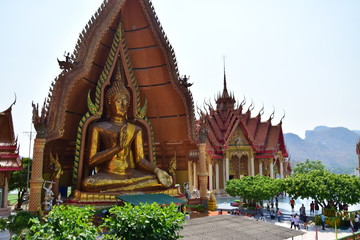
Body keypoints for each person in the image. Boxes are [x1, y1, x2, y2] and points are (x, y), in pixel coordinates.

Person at [82, 73, 173, 192]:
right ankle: (129, 188)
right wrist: (117, 148)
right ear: (109, 103)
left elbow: (140, 160)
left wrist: (157, 170)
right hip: (108, 175)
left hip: (131, 175)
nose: (123, 105)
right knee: (88, 183)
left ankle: (123, 188)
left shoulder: (135, 129)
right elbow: (91, 161)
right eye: (119, 101)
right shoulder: (98, 127)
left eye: (126, 101)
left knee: (160, 181)